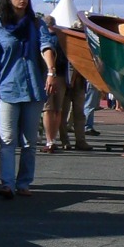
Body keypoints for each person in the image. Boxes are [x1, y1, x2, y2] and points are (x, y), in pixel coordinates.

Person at [0, 0, 58, 199]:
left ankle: (24, 183)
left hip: (34, 89)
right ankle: (7, 183)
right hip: (8, 89)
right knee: (7, 139)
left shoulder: (36, 25)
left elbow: (47, 46)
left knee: (29, 141)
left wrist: (51, 71)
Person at [40, 16, 70, 153]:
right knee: (58, 110)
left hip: (47, 75)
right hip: (62, 76)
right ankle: (54, 139)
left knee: (47, 109)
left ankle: (49, 140)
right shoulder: (63, 39)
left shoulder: (44, 39)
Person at [60, 66, 93, 150]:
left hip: (79, 82)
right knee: (63, 113)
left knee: (79, 114)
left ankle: (80, 141)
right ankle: (64, 140)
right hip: (65, 80)